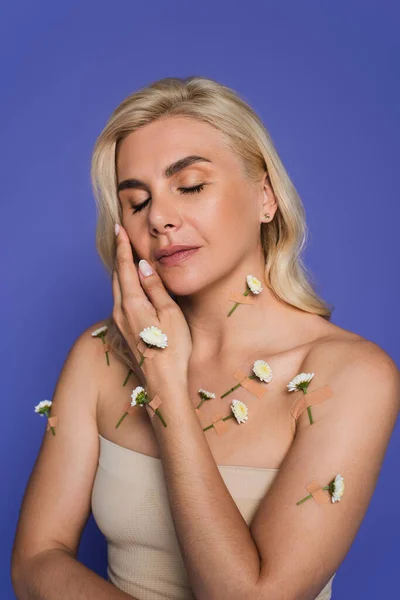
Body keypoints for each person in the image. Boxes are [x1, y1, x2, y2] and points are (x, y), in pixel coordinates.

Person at [11, 76, 399, 600]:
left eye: (190, 185)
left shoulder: (350, 375)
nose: (161, 218)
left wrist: (165, 385)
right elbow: (36, 560)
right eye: (136, 200)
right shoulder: (98, 356)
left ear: (266, 196)